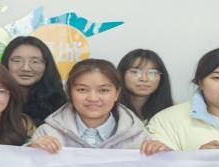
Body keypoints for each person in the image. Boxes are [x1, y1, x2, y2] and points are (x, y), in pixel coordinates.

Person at [30, 59, 170, 154]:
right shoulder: (47, 133)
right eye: (82, 90)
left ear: (117, 94)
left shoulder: (138, 136)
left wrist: (163, 154)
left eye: (103, 90)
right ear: (70, 93)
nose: (93, 98)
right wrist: (31, 150)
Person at [0, 36, 66, 125]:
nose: (26, 68)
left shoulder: (60, 105)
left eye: (35, 61)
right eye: (17, 61)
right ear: (5, 63)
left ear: (47, 66)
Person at [117, 48, 174, 122]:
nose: (144, 79)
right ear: (121, 74)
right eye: (135, 72)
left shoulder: (172, 111)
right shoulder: (109, 109)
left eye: (152, 73)